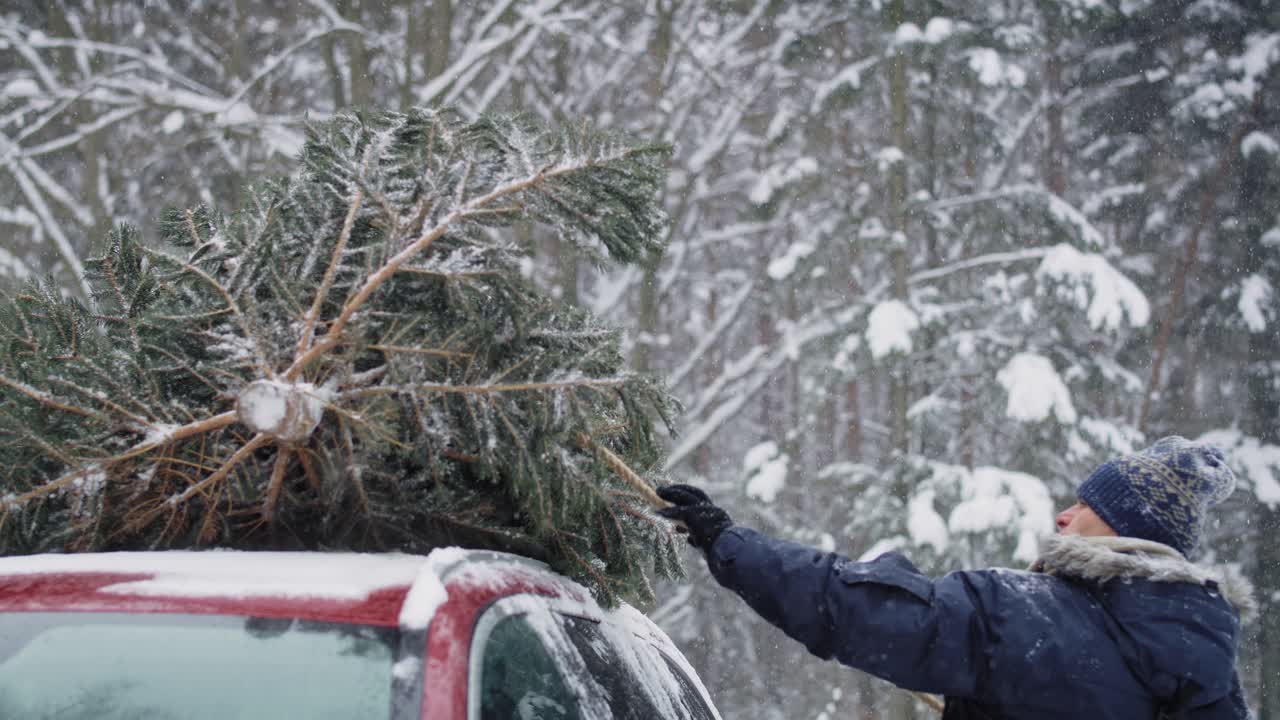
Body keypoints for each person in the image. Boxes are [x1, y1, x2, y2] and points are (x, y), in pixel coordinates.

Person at [657, 436, 1253, 719]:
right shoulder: (1214, 673)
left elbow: (853, 607)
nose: (1064, 515)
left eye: (1089, 504)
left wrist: (726, 540)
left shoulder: (1026, 613)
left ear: (1128, 529)